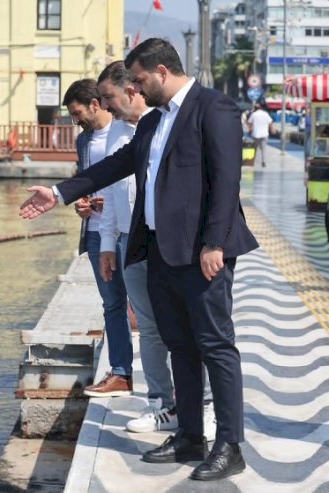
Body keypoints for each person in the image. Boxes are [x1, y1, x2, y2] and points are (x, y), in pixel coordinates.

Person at [20, 38, 258, 482]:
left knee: (216, 346)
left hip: (202, 254)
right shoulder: (153, 122)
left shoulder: (214, 108)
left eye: (140, 80)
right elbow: (115, 165)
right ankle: (190, 435)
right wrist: (57, 193)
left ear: (162, 72)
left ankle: (230, 445)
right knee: (181, 347)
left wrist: (214, 244)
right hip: (160, 253)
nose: (136, 89)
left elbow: (226, 181)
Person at [96, 60, 217, 439]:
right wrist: (106, 243)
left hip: (177, 247)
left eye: (110, 97)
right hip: (132, 246)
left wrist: (211, 242)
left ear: (133, 89)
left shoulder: (168, 122)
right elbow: (112, 194)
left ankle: (206, 408)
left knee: (195, 329)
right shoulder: (115, 134)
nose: (106, 106)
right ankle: (162, 406)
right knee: (149, 330)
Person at [63, 79, 133, 398]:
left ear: (95, 104)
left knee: (149, 306)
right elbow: (86, 180)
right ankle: (120, 371)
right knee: (112, 303)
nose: (76, 121)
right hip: (94, 233)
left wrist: (115, 200)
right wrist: (82, 201)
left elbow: (130, 178)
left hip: (127, 230)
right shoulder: (84, 141)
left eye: (78, 113)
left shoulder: (125, 132)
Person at [247, 103, 273, 167]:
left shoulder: (254, 114)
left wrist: (250, 130)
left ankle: (253, 161)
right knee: (264, 149)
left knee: (254, 148)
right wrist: (272, 130)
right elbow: (270, 122)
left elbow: (249, 123)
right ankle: (263, 162)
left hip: (256, 134)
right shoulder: (265, 114)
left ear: (255, 108)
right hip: (265, 134)